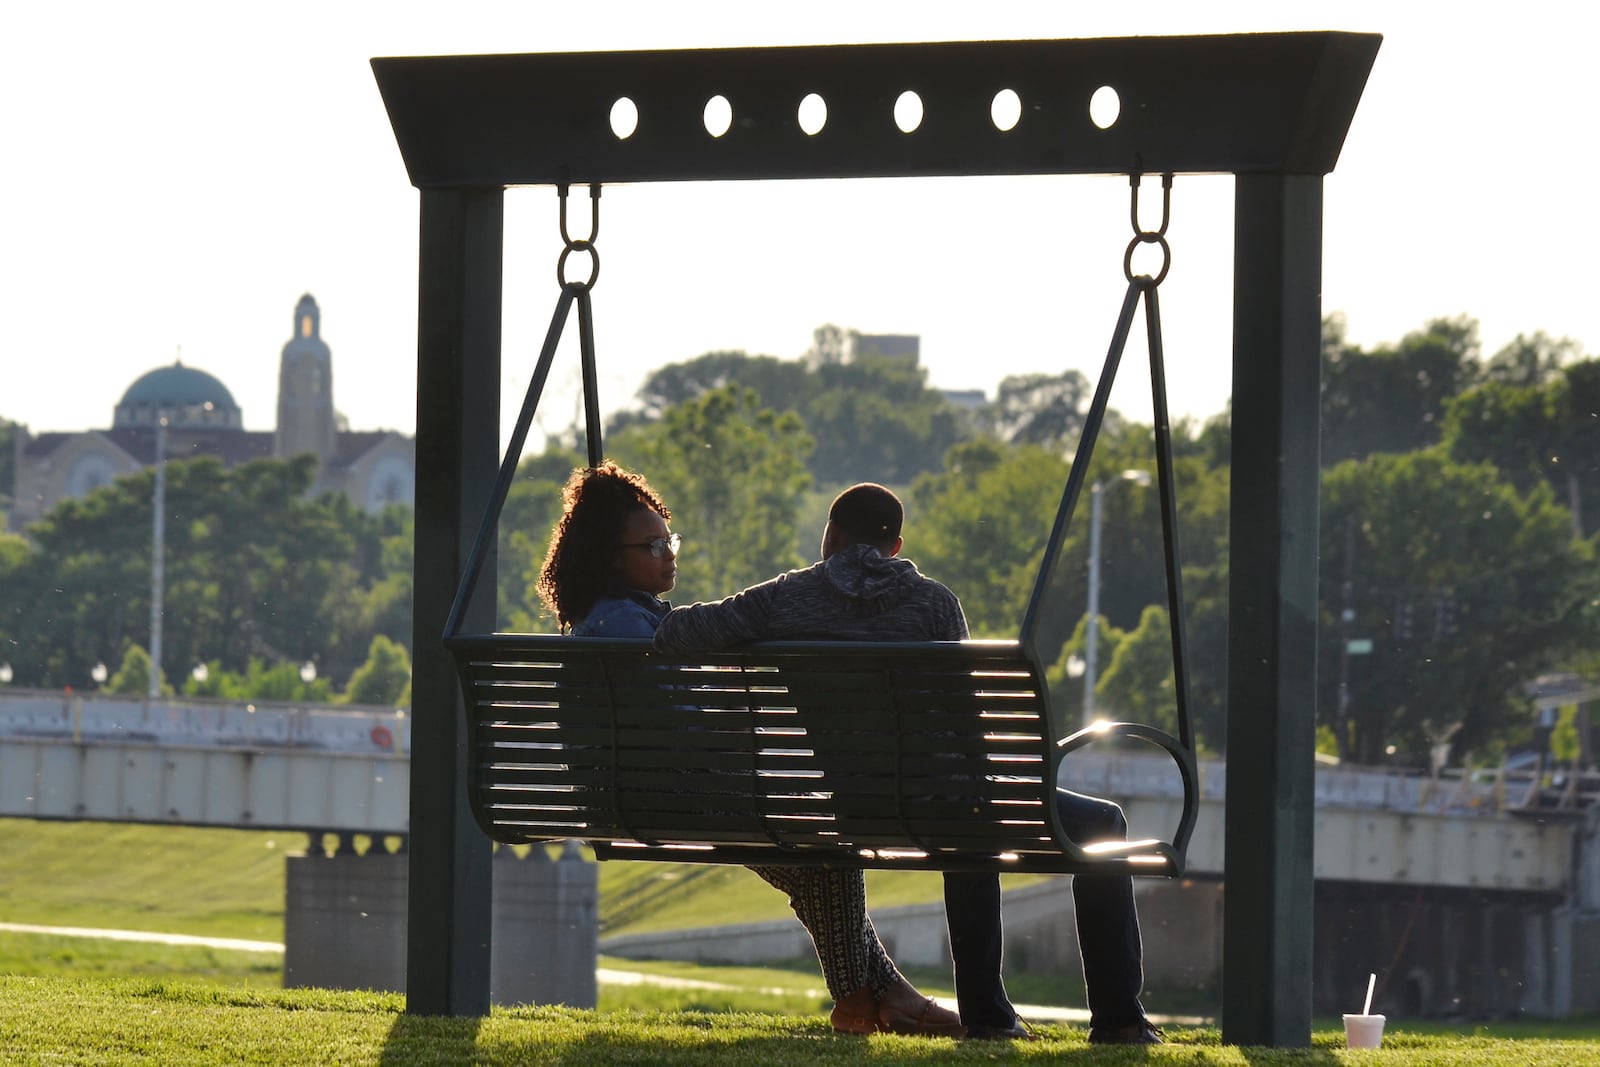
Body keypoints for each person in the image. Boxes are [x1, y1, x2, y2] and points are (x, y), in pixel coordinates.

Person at [652, 482, 1164, 1045]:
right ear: (895, 546)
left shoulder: (784, 598)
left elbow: (677, 632)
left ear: (831, 537)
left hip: (854, 806)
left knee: (965, 819)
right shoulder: (934, 603)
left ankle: (990, 1021)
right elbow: (969, 725)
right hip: (946, 802)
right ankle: (1113, 1020)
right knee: (1091, 822)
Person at [536, 462, 964, 1037]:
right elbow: (676, 735)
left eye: (670, 539)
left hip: (651, 794)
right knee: (828, 851)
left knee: (819, 865)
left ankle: (883, 996)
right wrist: (742, 734)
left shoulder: (621, 617)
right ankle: (863, 1001)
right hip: (670, 797)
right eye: (653, 544)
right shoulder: (626, 628)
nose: (668, 553)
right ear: (612, 557)